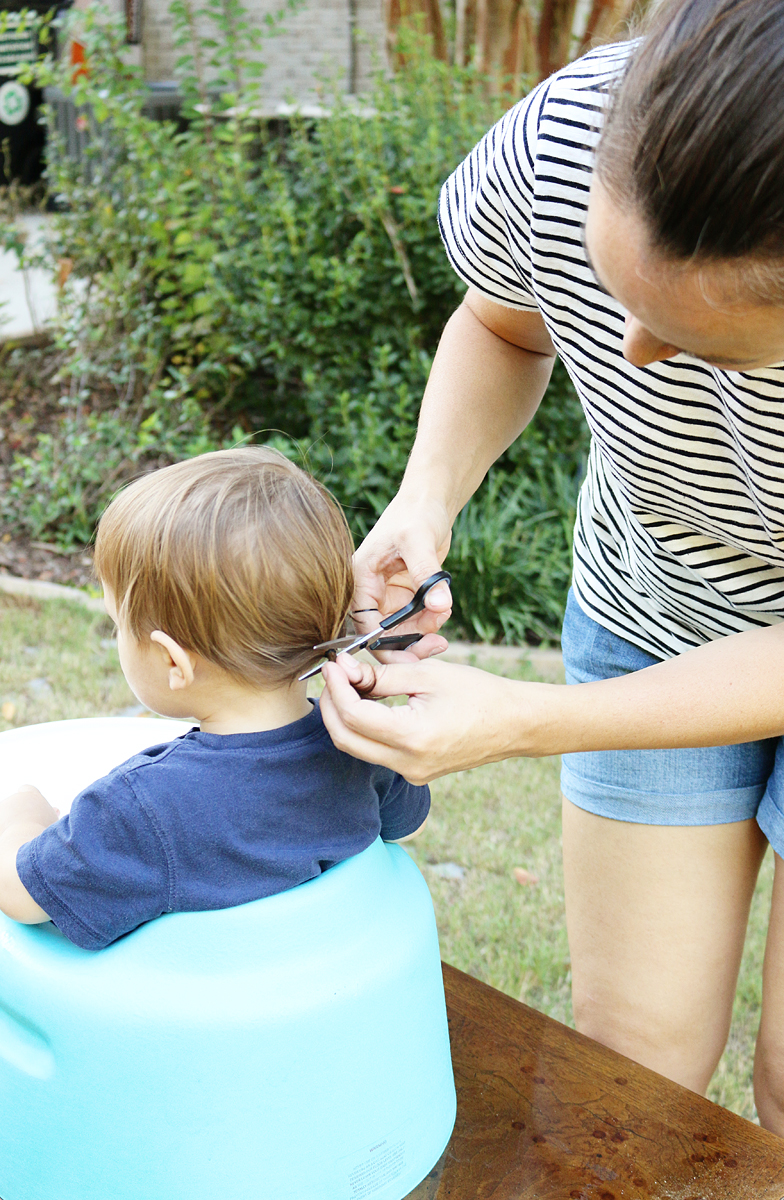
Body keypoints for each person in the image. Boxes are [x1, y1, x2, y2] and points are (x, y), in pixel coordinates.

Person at [320, 0, 784, 1133]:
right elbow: (503, 328)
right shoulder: (565, 129)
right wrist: (425, 501)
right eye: (611, 290)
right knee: (625, 1069)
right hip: (649, 604)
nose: (630, 357)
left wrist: (522, 719)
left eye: (702, 343)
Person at [0, 448, 429, 950]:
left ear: (174, 661)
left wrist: (20, 819)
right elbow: (405, 818)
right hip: (326, 979)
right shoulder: (361, 742)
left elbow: (20, 897)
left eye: (117, 624)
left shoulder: (140, 810)